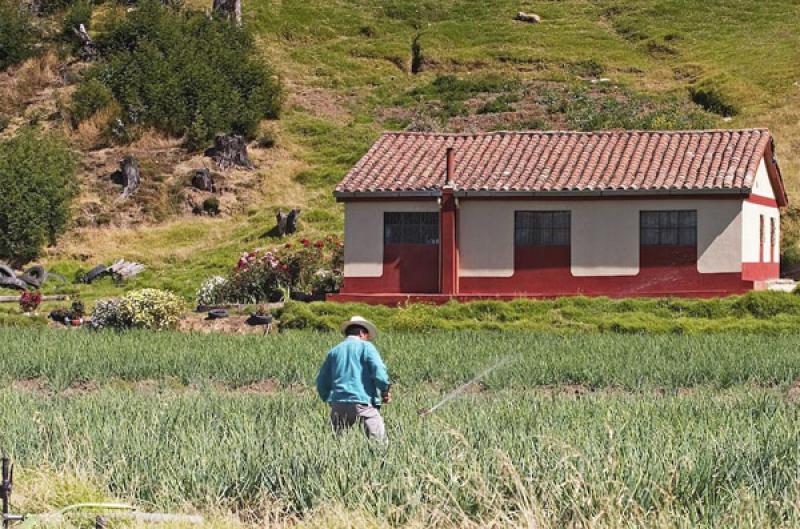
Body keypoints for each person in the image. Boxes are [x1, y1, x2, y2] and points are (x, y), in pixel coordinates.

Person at [315, 316, 391, 441]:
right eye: (367, 335)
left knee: (335, 442)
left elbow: (321, 381)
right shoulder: (366, 347)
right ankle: (378, 460)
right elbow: (379, 371)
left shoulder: (334, 351)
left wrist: (329, 399)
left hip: (338, 402)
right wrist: (384, 390)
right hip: (363, 401)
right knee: (379, 443)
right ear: (362, 333)